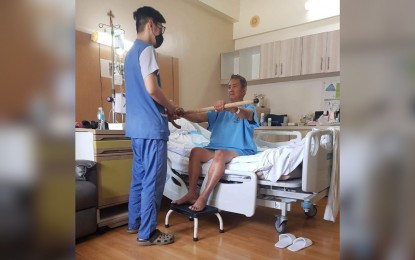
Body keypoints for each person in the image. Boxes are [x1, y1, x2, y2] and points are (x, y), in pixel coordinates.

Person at [124, 6, 181, 246]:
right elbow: (152, 89)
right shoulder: (147, 49)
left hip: (136, 130)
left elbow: (142, 96)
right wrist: (169, 106)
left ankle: (134, 224)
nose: (159, 33)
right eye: (160, 27)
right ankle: (147, 234)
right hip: (151, 131)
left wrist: (163, 110)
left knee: (138, 179)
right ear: (151, 25)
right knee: (152, 182)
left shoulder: (129, 53)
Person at [172, 74, 259, 211]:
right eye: (229, 87)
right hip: (215, 147)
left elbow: (245, 114)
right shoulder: (220, 110)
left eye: (235, 86)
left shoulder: (249, 107)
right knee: (196, 152)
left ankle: (204, 197)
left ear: (244, 90)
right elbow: (198, 117)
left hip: (239, 148)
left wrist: (232, 108)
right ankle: (191, 193)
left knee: (220, 154)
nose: (230, 89)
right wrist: (183, 113)